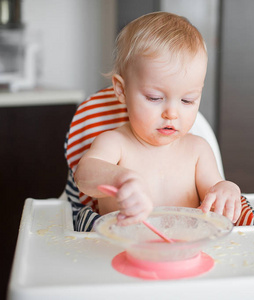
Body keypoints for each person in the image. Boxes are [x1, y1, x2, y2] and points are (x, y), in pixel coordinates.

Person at [74, 11, 242, 226]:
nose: (171, 114)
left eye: (187, 100)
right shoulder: (115, 143)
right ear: (122, 91)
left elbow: (215, 191)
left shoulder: (198, 150)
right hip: (117, 250)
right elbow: (84, 175)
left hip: (182, 248)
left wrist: (227, 189)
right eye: (155, 98)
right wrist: (120, 180)